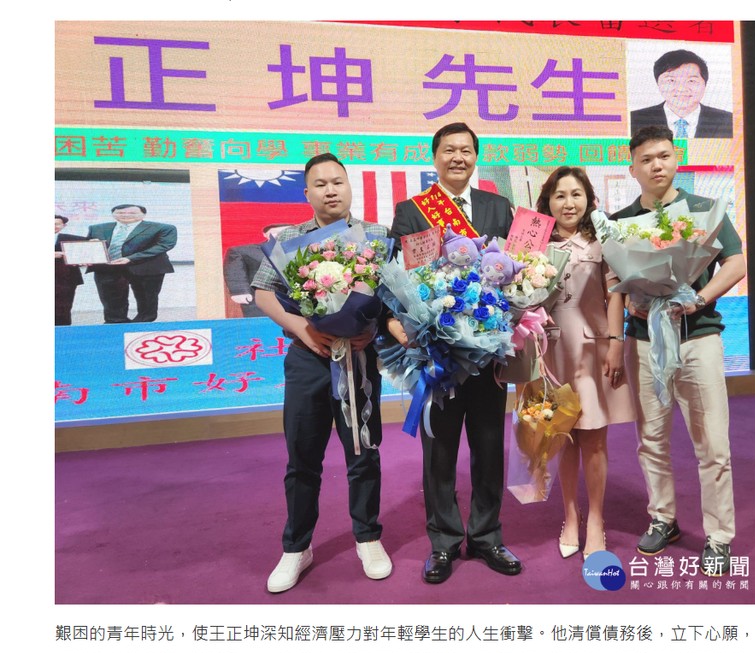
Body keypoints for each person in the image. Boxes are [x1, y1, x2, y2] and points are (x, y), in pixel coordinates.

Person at [252, 153, 392, 593]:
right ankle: (296, 547)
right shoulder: (289, 238)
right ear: (307, 193)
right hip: (307, 358)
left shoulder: (376, 235)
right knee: (302, 456)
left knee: (363, 451)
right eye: (321, 184)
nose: (331, 190)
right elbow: (262, 292)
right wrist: (302, 328)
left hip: (359, 361)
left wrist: (372, 329)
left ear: (349, 186)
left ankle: (368, 537)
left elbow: (394, 295)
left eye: (338, 182)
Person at [389, 122, 521, 584]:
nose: (458, 157)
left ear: (475, 157)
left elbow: (519, 269)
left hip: (489, 353)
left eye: (466, 150)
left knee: (489, 445)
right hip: (439, 354)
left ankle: (486, 536)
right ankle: (443, 542)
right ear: (435, 156)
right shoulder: (411, 211)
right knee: (439, 450)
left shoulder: (497, 207)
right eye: (449, 150)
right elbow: (402, 275)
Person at [612, 125, 746, 576]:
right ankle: (663, 518)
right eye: (646, 159)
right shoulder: (621, 221)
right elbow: (615, 282)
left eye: (664, 156)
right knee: (651, 438)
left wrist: (699, 299)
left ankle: (719, 536)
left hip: (698, 337)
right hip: (644, 340)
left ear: (676, 159)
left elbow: (736, 261)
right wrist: (630, 299)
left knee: (713, 443)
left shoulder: (704, 210)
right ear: (632, 167)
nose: (657, 165)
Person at [535, 168, 636, 560]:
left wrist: (616, 343)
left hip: (593, 351)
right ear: (548, 202)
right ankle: (570, 517)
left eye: (576, 194)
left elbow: (615, 295)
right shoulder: (534, 244)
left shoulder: (603, 241)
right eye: (560, 195)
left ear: (589, 200)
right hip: (550, 353)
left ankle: (595, 519)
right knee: (561, 436)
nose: (568, 203)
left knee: (594, 437)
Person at [86, 205, 177, 323]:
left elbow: (164, 245)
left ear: (143, 215)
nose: (126, 215)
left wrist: (130, 258)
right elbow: (88, 247)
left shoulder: (163, 228)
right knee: (110, 299)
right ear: (113, 214)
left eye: (132, 213)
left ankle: (143, 324)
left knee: (146, 298)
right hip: (108, 268)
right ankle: (116, 323)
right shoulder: (97, 228)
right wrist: (89, 251)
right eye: (120, 213)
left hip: (146, 267)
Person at [630, 49, 733, 139]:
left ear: (705, 84)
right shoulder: (634, 120)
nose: (681, 89)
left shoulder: (728, 121)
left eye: (691, 81)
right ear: (658, 84)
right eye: (671, 80)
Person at [223, 224, 289, 318]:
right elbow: (235, 271)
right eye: (276, 232)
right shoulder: (243, 251)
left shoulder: (304, 249)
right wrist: (239, 291)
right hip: (260, 300)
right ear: (265, 234)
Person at [54, 215, 85, 326]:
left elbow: (93, 245)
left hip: (66, 279)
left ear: (64, 226)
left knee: (63, 307)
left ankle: (63, 331)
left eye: (57, 224)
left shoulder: (72, 239)